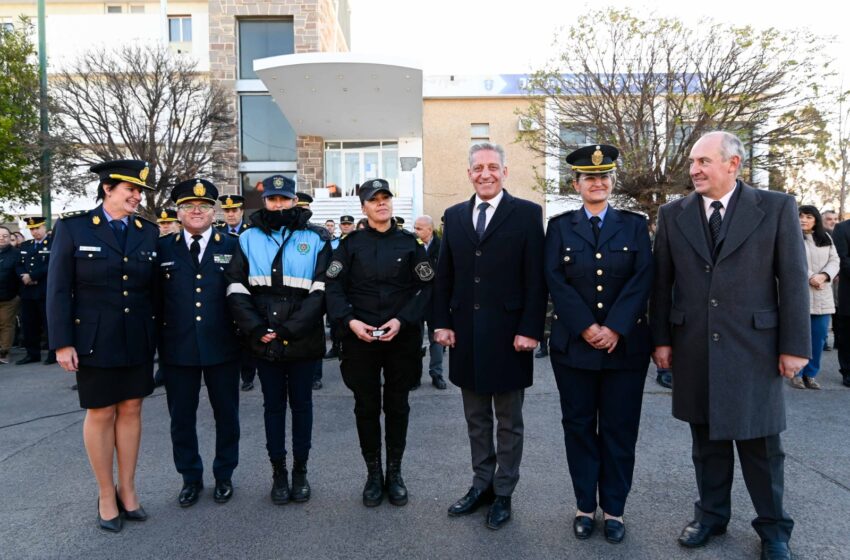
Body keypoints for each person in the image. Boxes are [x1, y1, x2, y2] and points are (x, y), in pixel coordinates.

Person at [650, 131, 809, 560]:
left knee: (761, 446)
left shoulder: (776, 207)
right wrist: (661, 340)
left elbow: (794, 280)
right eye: (692, 162)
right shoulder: (673, 213)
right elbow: (662, 283)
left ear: (733, 164)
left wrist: (795, 346)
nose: (694, 170)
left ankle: (774, 530)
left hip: (755, 348)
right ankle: (711, 516)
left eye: (703, 161)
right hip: (694, 346)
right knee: (706, 443)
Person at [434, 142, 546, 530]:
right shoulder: (454, 216)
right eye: (479, 168)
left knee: (509, 421)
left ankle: (504, 492)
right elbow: (444, 275)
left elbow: (536, 278)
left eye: (493, 167)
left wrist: (530, 329)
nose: (486, 174)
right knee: (476, 419)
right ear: (469, 174)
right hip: (465, 335)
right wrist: (442, 322)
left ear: (505, 172)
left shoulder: (527, 214)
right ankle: (481, 483)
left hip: (511, 336)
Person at [544, 144, 653, 544]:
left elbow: (643, 278)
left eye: (604, 176)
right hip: (575, 347)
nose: (598, 183)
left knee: (619, 430)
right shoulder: (559, 227)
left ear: (612, 182)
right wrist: (587, 326)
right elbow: (554, 279)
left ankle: (615, 509)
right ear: (576, 184)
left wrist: (616, 327)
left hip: (624, 348)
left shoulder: (634, 225)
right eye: (589, 178)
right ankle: (585, 507)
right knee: (578, 428)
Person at [47, 159, 159, 532]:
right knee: (100, 412)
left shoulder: (147, 231)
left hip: (137, 335)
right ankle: (105, 494)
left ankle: (128, 489)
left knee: (132, 408)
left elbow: (153, 291)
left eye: (140, 191)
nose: (137, 197)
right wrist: (62, 342)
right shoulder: (74, 227)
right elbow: (58, 289)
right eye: (131, 189)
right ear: (108, 189)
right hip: (94, 339)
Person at [325, 178, 434, 508]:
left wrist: (402, 320)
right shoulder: (350, 245)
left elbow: (427, 287)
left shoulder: (409, 243)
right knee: (366, 407)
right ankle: (373, 474)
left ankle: (395, 473)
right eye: (374, 200)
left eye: (386, 197)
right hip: (360, 339)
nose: (381, 203)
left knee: (398, 406)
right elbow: (333, 287)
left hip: (400, 338)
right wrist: (349, 321)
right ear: (364, 208)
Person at [225, 174, 331, 505]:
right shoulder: (247, 238)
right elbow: (236, 287)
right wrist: (258, 329)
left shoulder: (316, 238)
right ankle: (279, 473)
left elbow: (321, 291)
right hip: (264, 339)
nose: (279, 204)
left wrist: (286, 330)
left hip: (301, 338)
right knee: (273, 408)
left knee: (302, 407)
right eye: (273, 199)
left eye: (284, 199)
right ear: (265, 202)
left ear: (295, 201)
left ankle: (300, 471)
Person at [157, 178, 242, 507]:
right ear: (178, 213)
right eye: (188, 206)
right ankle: (190, 477)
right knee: (181, 419)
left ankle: (224, 474)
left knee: (227, 416)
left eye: (204, 206)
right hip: (177, 348)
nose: (196, 211)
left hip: (223, 345)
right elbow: (153, 299)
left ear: (214, 212)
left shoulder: (232, 245)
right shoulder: (163, 248)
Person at [790, 206, 838, 390]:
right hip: (799, 293)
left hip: (822, 293)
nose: (804, 220)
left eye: (809, 217)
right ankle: (797, 374)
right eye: (801, 216)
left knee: (818, 338)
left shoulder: (826, 238)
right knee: (798, 336)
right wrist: (811, 277)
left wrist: (824, 276)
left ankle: (810, 374)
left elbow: (835, 260)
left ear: (816, 220)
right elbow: (793, 261)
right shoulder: (791, 236)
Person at [215, 194, 255, 391]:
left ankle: (248, 376)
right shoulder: (217, 232)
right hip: (223, 291)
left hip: (246, 289)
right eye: (227, 211)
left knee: (246, 336)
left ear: (241, 211)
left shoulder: (251, 233)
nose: (230, 214)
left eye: (234, 210)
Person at [412, 215, 445, 390]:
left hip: (436, 300)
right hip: (416, 300)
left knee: (436, 339)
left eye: (419, 228)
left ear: (430, 230)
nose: (415, 231)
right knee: (414, 340)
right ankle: (414, 376)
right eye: (415, 227)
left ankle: (436, 374)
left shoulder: (443, 247)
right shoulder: (411, 245)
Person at [16, 217, 54, 365]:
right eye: (32, 229)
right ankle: (32, 354)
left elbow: (52, 264)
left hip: (44, 290)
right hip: (28, 291)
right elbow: (18, 264)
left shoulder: (53, 243)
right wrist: (23, 276)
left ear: (44, 227)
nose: (35, 231)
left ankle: (53, 353)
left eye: (37, 228)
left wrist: (32, 276)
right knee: (29, 324)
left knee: (48, 323)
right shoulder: (26, 245)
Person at [323, 215, 357, 361]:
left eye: (349, 224)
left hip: (353, 285)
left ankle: (351, 348)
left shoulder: (359, 240)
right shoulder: (334, 242)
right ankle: (336, 346)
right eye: (344, 224)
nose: (346, 226)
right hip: (338, 284)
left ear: (353, 225)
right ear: (340, 226)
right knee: (335, 319)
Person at [0, 226, 21, 364]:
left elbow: (20, 274)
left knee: (6, 325)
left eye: (5, 236)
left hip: (9, 297)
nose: (2, 238)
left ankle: (4, 352)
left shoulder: (16, 254)